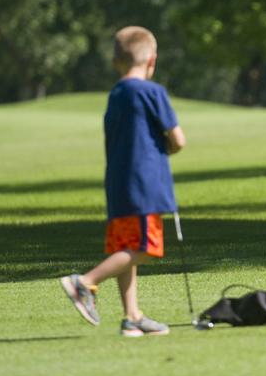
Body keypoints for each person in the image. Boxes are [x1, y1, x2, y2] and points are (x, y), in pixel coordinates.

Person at [59, 26, 186, 336]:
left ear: (116, 61)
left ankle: (132, 316)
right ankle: (85, 283)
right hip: (144, 184)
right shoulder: (153, 92)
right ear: (152, 60)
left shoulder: (116, 94)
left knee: (126, 247)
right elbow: (178, 140)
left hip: (118, 183)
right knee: (145, 247)